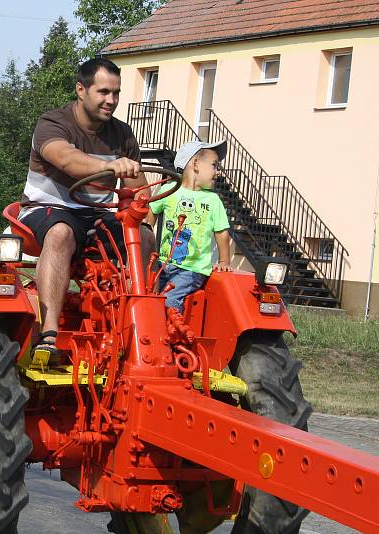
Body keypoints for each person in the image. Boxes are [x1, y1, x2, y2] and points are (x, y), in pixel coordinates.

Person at [19, 57, 154, 356]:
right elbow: (67, 160)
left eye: (116, 93)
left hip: (95, 216)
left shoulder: (123, 134)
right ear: (81, 89)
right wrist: (111, 166)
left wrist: (144, 214)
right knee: (61, 233)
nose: (112, 100)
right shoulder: (53, 123)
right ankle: (49, 334)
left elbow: (137, 188)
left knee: (143, 236)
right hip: (47, 208)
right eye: (104, 92)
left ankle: (135, 326)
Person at [147, 140, 232, 313]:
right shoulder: (169, 189)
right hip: (163, 263)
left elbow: (222, 232)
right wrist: (146, 235)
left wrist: (224, 261)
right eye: (214, 166)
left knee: (169, 300)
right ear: (195, 164)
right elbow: (150, 214)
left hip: (192, 269)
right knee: (149, 296)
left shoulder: (213, 200)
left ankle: (170, 333)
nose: (217, 173)